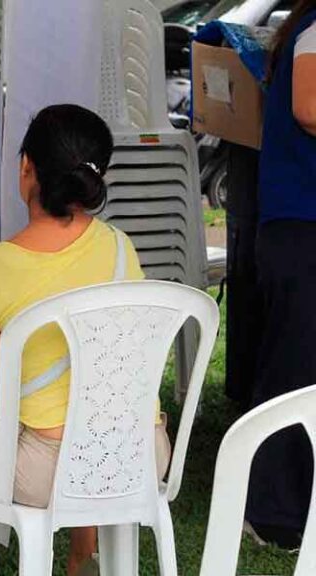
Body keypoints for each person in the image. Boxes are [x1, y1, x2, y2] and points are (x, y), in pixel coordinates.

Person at [0, 104, 169, 576]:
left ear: (27, 168)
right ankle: (81, 555)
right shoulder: (119, 247)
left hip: (44, 472)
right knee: (86, 404)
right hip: (141, 454)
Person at [244, 0, 316, 551]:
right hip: (300, 226)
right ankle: (271, 513)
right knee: (293, 372)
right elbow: (308, 106)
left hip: (299, 225)